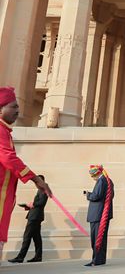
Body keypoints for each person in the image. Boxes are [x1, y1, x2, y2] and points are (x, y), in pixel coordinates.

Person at [0, 86, 51, 265]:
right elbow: (8, 158)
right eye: (13, 107)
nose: (17, 110)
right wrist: (36, 179)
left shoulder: (5, 131)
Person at [8, 175, 48, 263]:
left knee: (27, 237)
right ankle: (38, 257)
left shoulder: (44, 190)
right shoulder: (41, 190)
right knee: (36, 238)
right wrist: (28, 206)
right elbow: (38, 203)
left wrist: (32, 204)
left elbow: (41, 203)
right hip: (35, 216)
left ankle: (20, 257)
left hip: (35, 217)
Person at [85, 164, 114, 267]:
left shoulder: (101, 181)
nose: (93, 178)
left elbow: (96, 196)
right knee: (101, 238)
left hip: (98, 215)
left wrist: (88, 195)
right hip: (102, 214)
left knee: (96, 238)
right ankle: (100, 259)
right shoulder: (108, 181)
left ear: (97, 174)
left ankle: (96, 260)